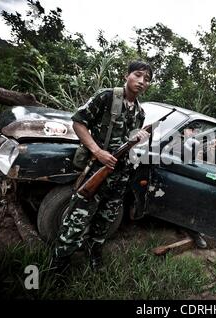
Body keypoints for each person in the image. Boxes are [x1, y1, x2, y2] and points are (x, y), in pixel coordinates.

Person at [51, 60, 153, 272]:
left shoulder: (140, 113)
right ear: (127, 75)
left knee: (105, 219)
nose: (142, 81)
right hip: (97, 169)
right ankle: (59, 263)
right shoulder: (106, 97)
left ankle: (94, 252)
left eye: (147, 79)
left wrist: (138, 138)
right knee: (77, 219)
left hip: (120, 175)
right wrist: (98, 151)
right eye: (138, 75)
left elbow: (127, 141)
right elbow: (78, 122)